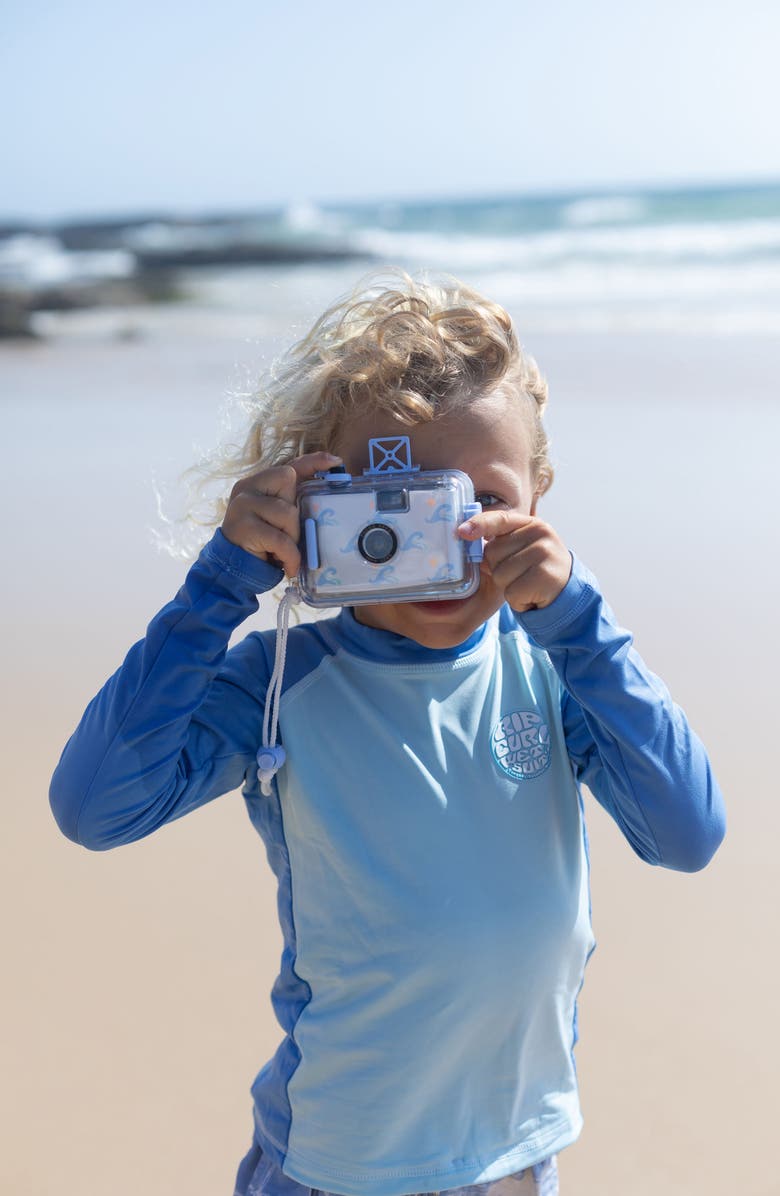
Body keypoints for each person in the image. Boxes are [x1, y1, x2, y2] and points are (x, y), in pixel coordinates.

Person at [49, 271, 726, 1196]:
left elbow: (686, 834)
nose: (438, 541)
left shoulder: (557, 666)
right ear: (313, 507)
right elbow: (95, 808)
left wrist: (580, 619)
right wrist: (221, 584)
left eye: (477, 500)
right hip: (335, 1166)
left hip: (515, 1152)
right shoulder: (281, 682)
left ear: (538, 497)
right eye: (390, 504)